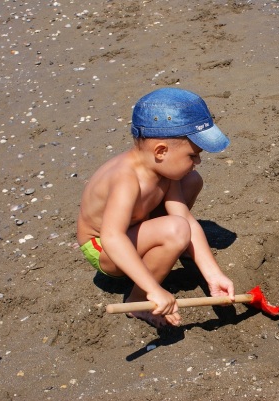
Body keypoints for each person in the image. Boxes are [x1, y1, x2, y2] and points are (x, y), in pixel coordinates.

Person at [76, 87, 235, 328]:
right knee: (175, 230)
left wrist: (213, 275)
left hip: (134, 227)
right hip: (104, 248)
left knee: (191, 182)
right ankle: (138, 300)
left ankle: (168, 247)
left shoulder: (162, 169)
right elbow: (112, 237)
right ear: (160, 151)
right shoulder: (125, 178)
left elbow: (186, 219)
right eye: (193, 155)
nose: (198, 161)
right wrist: (153, 290)